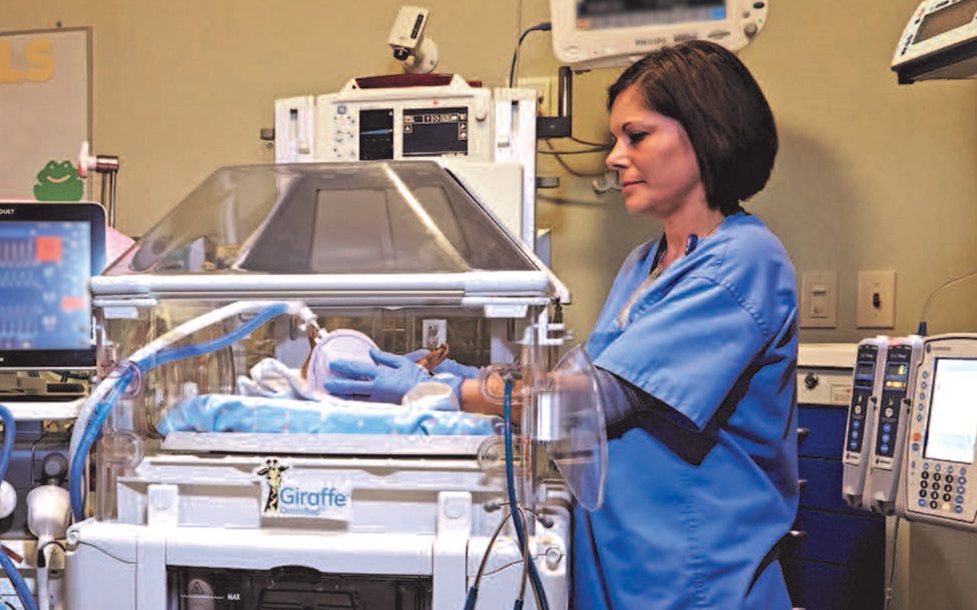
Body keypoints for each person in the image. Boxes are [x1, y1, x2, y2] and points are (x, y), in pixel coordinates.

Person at [325, 40, 798, 609]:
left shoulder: (743, 263)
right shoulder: (645, 265)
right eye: (616, 140)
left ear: (706, 133)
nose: (614, 157)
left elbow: (592, 397)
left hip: (696, 579)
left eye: (636, 136)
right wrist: (452, 367)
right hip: (623, 564)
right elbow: (581, 377)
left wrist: (438, 391)